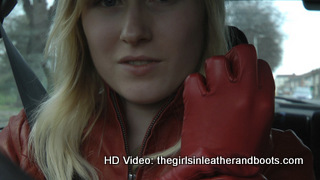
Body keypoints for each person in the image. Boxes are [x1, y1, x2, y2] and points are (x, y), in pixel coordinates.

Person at [0, 0, 315, 179]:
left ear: (205, 16)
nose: (134, 32)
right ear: (79, 24)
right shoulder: (25, 141)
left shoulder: (280, 158)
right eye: (108, 1)